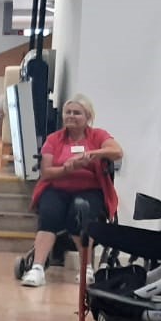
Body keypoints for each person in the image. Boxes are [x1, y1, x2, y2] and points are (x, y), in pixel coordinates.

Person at [21, 95, 123, 288]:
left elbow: (117, 152)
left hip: (90, 190)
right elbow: (46, 172)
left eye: (77, 113)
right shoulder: (54, 139)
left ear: (88, 117)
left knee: (80, 210)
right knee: (49, 213)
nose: (71, 116)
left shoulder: (97, 136)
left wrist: (90, 154)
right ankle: (37, 268)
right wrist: (68, 169)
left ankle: (86, 268)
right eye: (68, 112)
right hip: (58, 187)